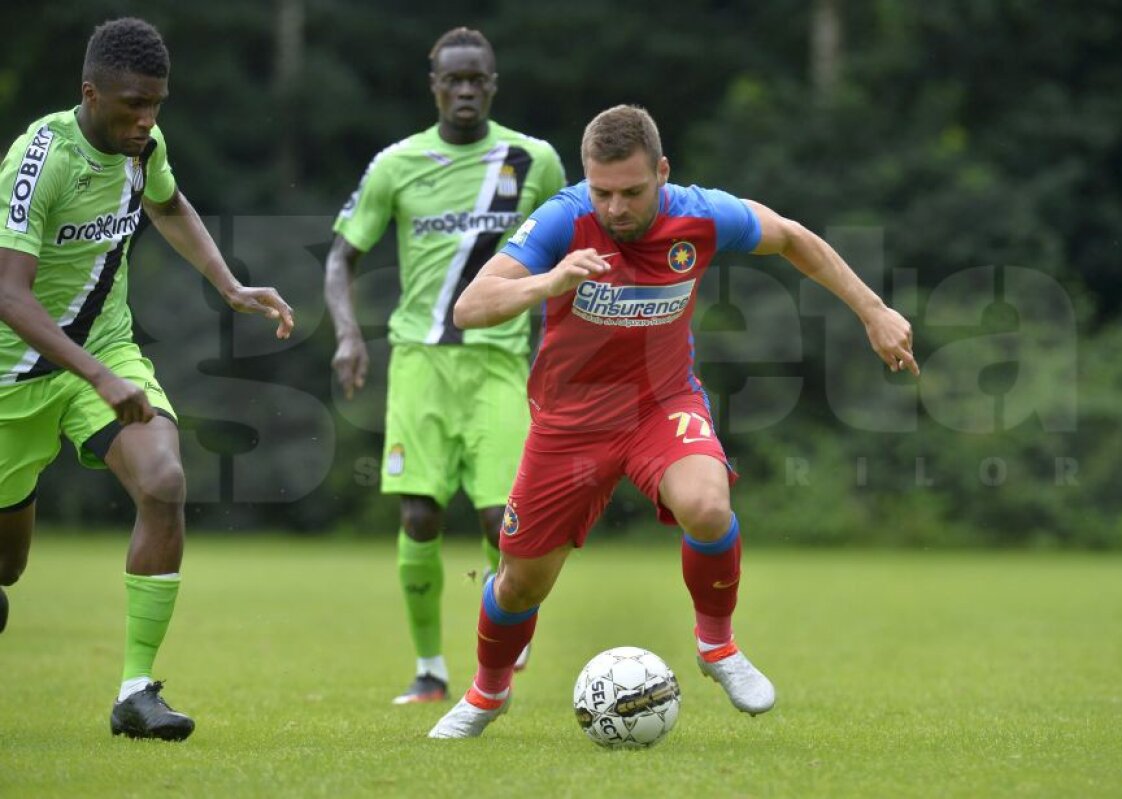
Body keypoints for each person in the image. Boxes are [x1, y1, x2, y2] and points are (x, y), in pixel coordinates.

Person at [428, 104, 920, 738]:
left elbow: (793, 236)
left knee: (708, 506)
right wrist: (548, 281)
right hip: (569, 423)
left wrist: (873, 310)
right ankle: (486, 695)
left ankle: (717, 647)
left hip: (663, 406)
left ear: (662, 172)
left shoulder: (702, 214)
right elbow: (470, 308)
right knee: (521, 585)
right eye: (602, 192)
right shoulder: (562, 219)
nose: (615, 209)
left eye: (632, 191)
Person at [0, 18, 294, 741]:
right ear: (89, 92)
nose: (146, 120)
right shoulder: (39, 160)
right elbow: (9, 294)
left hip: (103, 353)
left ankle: (136, 691)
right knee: (7, 571)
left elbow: (167, 204)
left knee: (163, 482)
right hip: (11, 377)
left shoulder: (145, 148)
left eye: (156, 104)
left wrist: (228, 285)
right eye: (132, 104)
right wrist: (97, 375)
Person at [324, 27, 566, 705]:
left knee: (504, 522)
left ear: (493, 84)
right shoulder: (396, 165)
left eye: (477, 80)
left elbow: (571, 247)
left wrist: (565, 343)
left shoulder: (533, 160)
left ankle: (504, 641)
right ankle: (430, 669)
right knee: (420, 517)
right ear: (433, 84)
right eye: (453, 80)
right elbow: (343, 255)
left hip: (499, 362)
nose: (465, 90)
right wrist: (348, 334)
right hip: (420, 363)